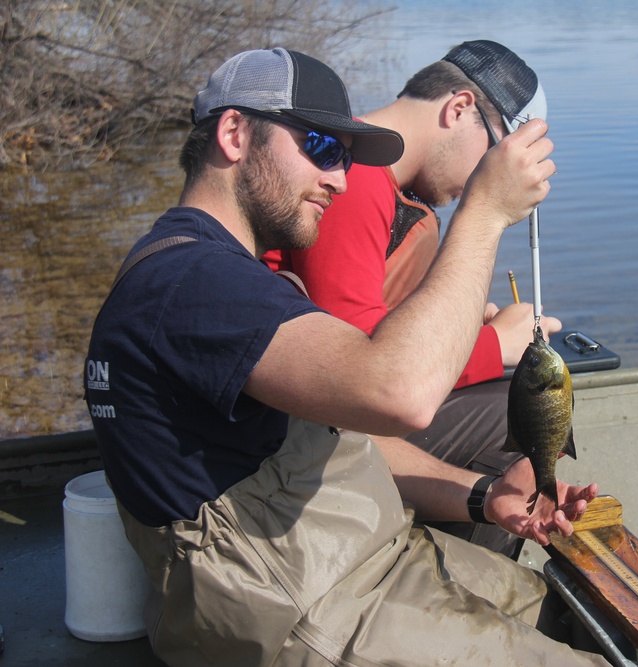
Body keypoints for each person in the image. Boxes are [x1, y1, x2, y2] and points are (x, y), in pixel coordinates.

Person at [84, 47, 608, 666]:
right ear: (233, 134)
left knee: (585, 619)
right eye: (322, 148)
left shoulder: (228, 277)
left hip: (363, 560)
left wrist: (483, 494)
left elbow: (342, 444)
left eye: (344, 156)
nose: (338, 177)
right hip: (299, 609)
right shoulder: (191, 281)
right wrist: (485, 212)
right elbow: (401, 394)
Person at [263, 41, 559, 559]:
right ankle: (460, 585)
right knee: (508, 416)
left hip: (315, 409)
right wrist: (494, 345)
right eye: (493, 161)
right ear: (459, 108)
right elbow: (356, 374)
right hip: (292, 433)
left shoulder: (372, 177)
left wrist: (463, 324)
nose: (484, 182)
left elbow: (355, 320)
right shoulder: (351, 181)